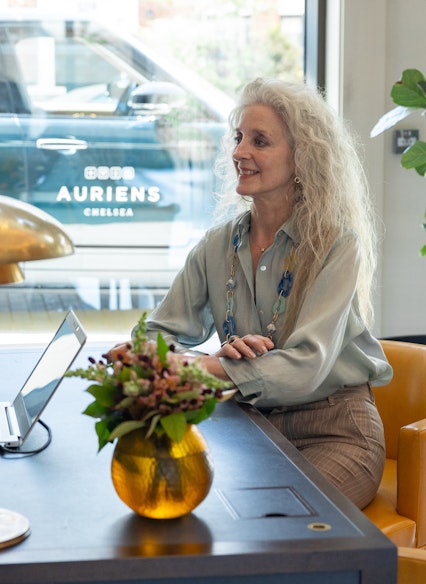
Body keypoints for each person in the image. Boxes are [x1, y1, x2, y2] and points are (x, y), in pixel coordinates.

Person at [143, 78, 392, 509]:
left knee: (278, 521)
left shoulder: (336, 245)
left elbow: (305, 368)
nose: (239, 152)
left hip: (335, 431)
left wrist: (210, 370)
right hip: (249, 426)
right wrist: (210, 360)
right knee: (193, 510)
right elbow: (154, 338)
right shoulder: (215, 246)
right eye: (239, 138)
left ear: (302, 158)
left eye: (260, 141)